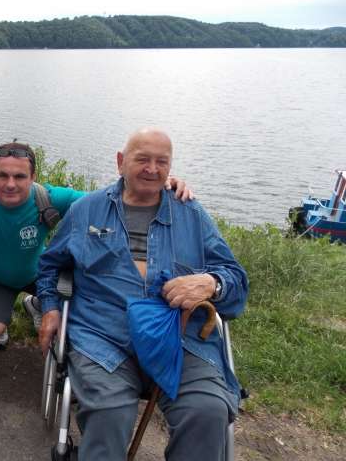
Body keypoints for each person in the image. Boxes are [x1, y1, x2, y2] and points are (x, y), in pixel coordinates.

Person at [37, 128, 248, 461]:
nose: (152, 169)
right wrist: (50, 308)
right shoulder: (87, 210)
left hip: (181, 339)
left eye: (161, 161)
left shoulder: (190, 213)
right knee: (109, 410)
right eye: (142, 159)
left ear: (170, 167)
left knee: (207, 410)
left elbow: (235, 279)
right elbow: (50, 265)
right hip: (104, 337)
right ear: (121, 162)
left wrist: (211, 283)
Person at [0, 142, 195, 348]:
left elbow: (108, 201)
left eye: (19, 176)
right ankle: (2, 316)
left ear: (33, 177)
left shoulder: (48, 198)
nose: (10, 184)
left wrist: (157, 185)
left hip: (37, 274)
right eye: (2, 175)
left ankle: (37, 303)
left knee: (75, 319)